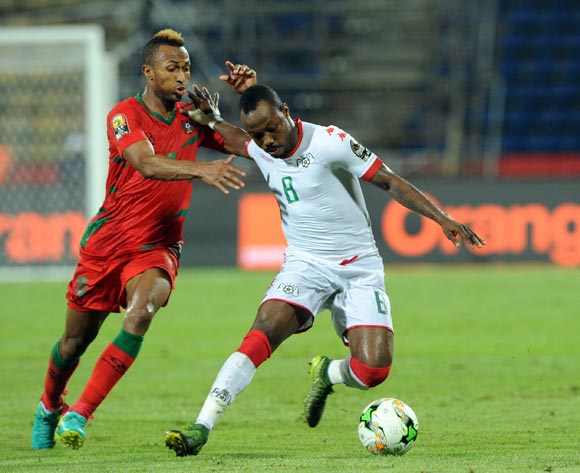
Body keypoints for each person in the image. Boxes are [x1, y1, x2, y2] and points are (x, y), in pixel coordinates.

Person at [164, 83, 486, 456]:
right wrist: (213, 119)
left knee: (373, 372)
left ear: (286, 112)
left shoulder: (331, 142)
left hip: (359, 268)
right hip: (306, 265)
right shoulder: (259, 146)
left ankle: (327, 373)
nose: (267, 141)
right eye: (258, 135)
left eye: (272, 129)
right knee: (262, 331)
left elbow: (388, 180)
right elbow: (235, 138)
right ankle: (201, 427)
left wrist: (442, 218)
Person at [31, 29, 256, 450]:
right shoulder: (124, 115)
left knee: (141, 313)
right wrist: (202, 170)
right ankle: (49, 405)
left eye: (186, 68)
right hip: (108, 244)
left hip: (157, 246)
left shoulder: (192, 116)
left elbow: (254, 146)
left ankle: (79, 414)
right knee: (74, 343)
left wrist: (239, 104)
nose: (182, 76)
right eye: (172, 68)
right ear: (149, 73)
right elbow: (146, 163)